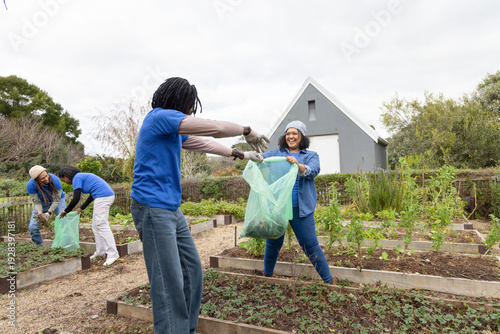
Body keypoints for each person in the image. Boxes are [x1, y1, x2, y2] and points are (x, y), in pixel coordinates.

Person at [130, 77, 268, 334]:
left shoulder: (172, 132)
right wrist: (246, 129)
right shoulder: (159, 118)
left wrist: (239, 154)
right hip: (150, 206)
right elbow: (212, 128)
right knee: (167, 281)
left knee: (192, 271)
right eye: (189, 104)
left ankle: (186, 329)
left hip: (171, 208)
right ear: (176, 101)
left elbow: (204, 142)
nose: (192, 110)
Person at [260, 120, 334, 284]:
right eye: (288, 133)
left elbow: (312, 171)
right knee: (273, 244)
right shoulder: (276, 154)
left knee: (310, 246)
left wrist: (298, 165)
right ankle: (267, 277)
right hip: (278, 208)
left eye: (295, 133)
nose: (291, 136)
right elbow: (260, 159)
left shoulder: (310, 156)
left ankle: (329, 281)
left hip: (301, 209)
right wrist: (249, 155)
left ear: (301, 136)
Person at [58, 166, 120, 266]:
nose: (65, 182)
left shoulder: (77, 178)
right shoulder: (81, 177)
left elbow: (76, 198)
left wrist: (65, 211)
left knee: (101, 225)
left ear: (66, 176)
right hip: (101, 197)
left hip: (103, 197)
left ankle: (113, 254)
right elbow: (92, 194)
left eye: (63, 180)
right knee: (95, 226)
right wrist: (82, 208)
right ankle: (101, 252)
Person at [26, 165, 67, 246]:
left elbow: (56, 200)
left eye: (46, 175)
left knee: (64, 222)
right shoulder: (30, 185)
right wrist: (40, 214)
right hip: (41, 203)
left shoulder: (54, 179)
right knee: (33, 227)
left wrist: (48, 213)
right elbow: (37, 202)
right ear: (36, 180)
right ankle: (40, 246)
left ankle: (65, 244)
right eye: (42, 178)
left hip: (58, 201)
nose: (46, 178)